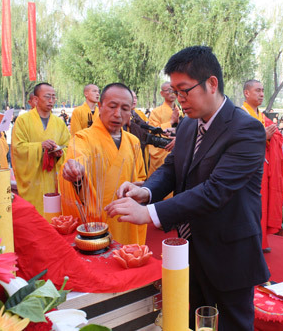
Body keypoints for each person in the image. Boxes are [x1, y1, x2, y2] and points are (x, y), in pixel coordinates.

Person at [104, 46, 270, 330]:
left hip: (229, 251)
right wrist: (147, 191)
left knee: (234, 324)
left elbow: (215, 190)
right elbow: (171, 168)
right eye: (175, 92)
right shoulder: (188, 126)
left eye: (184, 91)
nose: (179, 100)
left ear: (211, 83)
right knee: (189, 319)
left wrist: (150, 213)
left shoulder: (246, 129)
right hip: (188, 248)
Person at [60, 83, 147, 245]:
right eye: (112, 106)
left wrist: (140, 188)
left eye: (125, 108)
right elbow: (78, 159)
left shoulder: (133, 141)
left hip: (127, 219)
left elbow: (141, 178)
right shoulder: (83, 138)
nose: (118, 114)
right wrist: (76, 171)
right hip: (98, 223)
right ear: (100, 106)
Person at [12, 82, 70, 216]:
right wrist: (40, 147)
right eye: (47, 97)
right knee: (34, 219)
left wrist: (60, 152)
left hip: (52, 180)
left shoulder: (59, 123)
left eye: (54, 97)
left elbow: (68, 147)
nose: (51, 101)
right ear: (36, 99)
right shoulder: (23, 121)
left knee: (53, 216)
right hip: (33, 182)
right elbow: (17, 149)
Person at [242, 79, 283, 253]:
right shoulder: (239, 115)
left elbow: (278, 137)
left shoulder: (263, 117)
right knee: (248, 204)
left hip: (264, 167)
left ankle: (261, 240)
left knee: (262, 204)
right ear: (247, 93)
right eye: (257, 90)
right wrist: (261, 136)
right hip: (246, 170)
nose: (261, 94)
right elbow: (235, 140)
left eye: (262, 90)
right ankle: (248, 241)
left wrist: (270, 136)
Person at [147, 82, 180, 176]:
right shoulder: (156, 112)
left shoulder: (181, 110)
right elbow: (152, 130)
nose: (172, 93)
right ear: (162, 94)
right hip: (162, 150)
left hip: (176, 149)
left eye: (174, 90)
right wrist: (171, 122)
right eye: (169, 90)